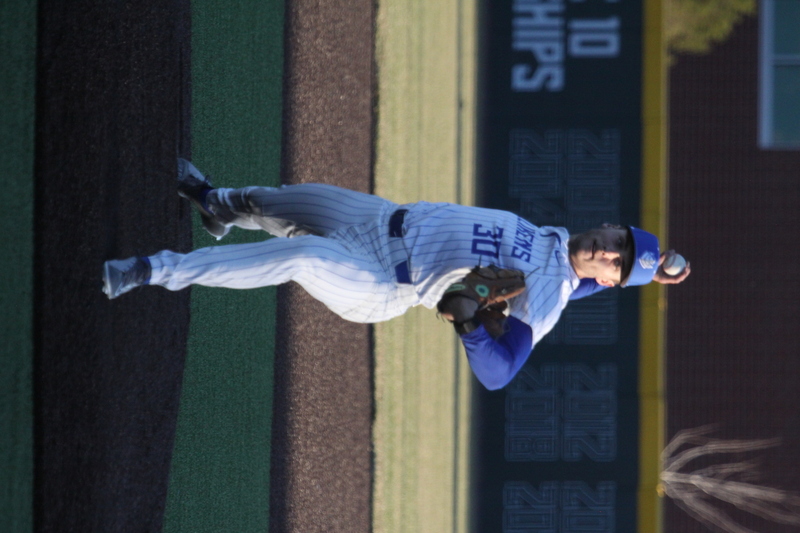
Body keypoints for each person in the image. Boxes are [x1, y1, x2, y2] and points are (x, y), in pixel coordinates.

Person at [103, 159, 690, 390]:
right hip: (380, 215)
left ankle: (156, 270)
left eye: (617, 261)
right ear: (611, 226)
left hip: (384, 282)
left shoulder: (550, 297)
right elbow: (586, 270)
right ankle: (214, 203)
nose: (609, 251)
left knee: (300, 258)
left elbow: (501, 372)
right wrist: (654, 265)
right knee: (270, 201)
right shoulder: (563, 248)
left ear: (610, 281)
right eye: (618, 240)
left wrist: (471, 330)